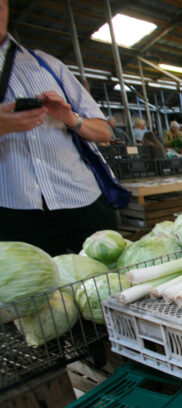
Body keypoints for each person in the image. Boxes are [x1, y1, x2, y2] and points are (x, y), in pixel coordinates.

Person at [0, 0, 116, 256]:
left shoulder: (46, 65)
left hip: (82, 200)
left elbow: (104, 132)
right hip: (14, 210)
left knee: (110, 275)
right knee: (34, 282)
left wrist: (70, 118)